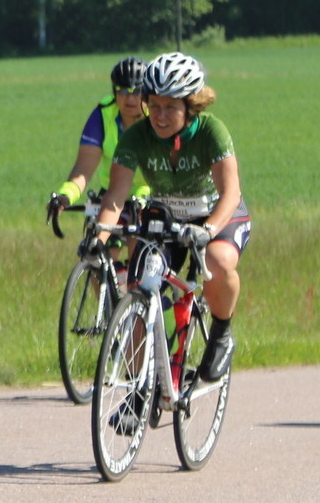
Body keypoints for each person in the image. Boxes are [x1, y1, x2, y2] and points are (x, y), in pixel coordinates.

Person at [93, 51, 247, 383]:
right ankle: (138, 387)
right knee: (139, 288)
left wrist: (208, 230)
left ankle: (222, 333)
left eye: (171, 107)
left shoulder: (211, 131)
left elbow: (231, 193)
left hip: (217, 216)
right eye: (154, 106)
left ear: (190, 106)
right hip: (167, 220)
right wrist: (98, 240)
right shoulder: (137, 136)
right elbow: (116, 196)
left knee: (218, 262)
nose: (160, 116)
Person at [46, 55, 150, 231]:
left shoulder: (159, 115)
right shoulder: (103, 114)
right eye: (123, 91)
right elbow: (83, 169)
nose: (130, 99)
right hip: (111, 192)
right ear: (114, 91)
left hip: (149, 191)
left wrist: (144, 198)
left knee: (138, 237)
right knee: (94, 240)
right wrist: (65, 196)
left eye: (136, 91)